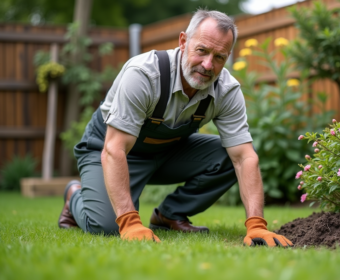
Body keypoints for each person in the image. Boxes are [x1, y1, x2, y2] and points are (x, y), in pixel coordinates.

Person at [58, 9, 293, 247]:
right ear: (183, 41)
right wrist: (129, 222)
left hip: (167, 152)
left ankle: (169, 215)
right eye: (201, 51)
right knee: (109, 228)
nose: (208, 65)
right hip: (108, 150)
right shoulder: (143, 75)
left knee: (230, 156)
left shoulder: (227, 90)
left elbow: (244, 157)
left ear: (228, 56)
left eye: (219, 57)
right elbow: (114, 148)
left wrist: (256, 224)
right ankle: (74, 196)